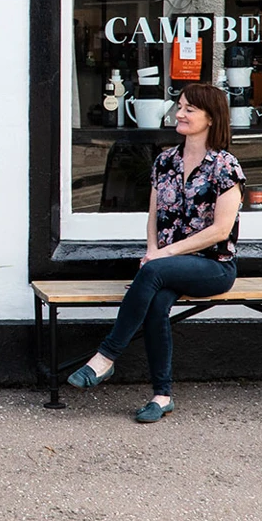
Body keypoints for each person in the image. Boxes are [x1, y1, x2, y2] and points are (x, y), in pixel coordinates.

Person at [67, 82, 243, 422]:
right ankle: (162, 396)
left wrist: (163, 256)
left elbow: (221, 231)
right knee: (157, 302)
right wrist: (153, 251)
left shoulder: (225, 166)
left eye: (190, 109)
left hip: (214, 267)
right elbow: (154, 216)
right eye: (179, 106)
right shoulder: (164, 161)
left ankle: (106, 358)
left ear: (211, 117)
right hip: (167, 264)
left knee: (152, 272)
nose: (179, 114)